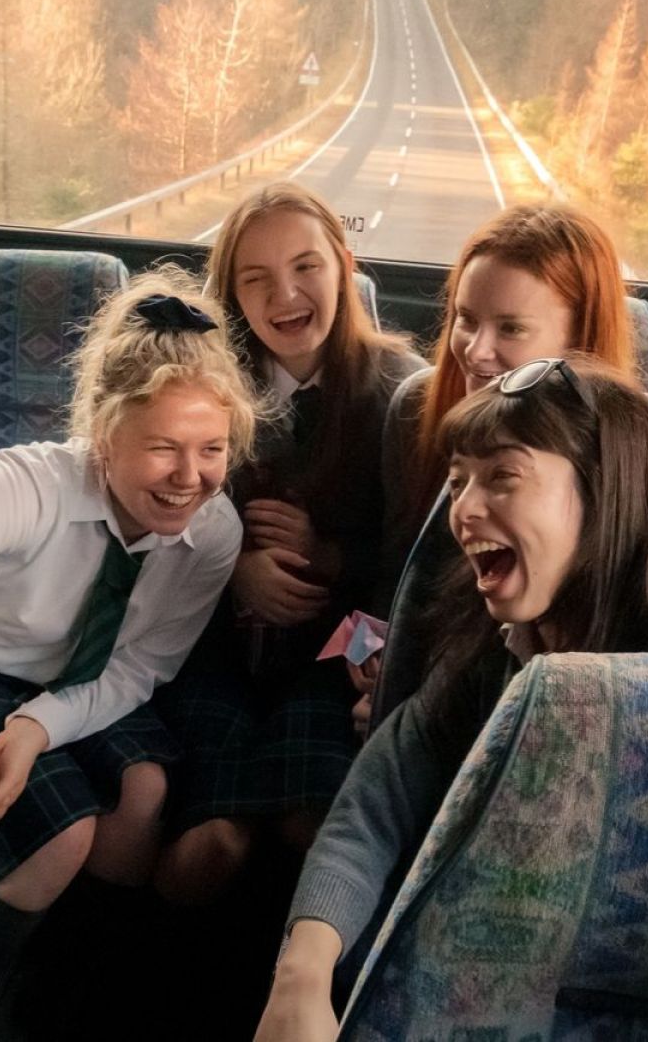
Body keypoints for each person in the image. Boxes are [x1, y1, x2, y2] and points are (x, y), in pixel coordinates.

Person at [253, 357, 648, 1042]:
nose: (463, 511)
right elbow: (374, 808)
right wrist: (300, 975)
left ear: (605, 493)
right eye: (458, 483)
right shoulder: (488, 646)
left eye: (503, 478)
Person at [0, 268, 260, 1042]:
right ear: (104, 437)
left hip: (73, 676)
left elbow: (139, 667)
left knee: (143, 791)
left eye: (212, 450)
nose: (190, 478)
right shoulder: (31, 485)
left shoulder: (214, 529)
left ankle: (65, 995)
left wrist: (38, 727)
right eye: (164, 448)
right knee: (59, 834)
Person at [154, 183, 425, 907]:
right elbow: (154, 526)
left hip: (333, 660)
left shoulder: (401, 393)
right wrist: (234, 571)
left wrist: (332, 558)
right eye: (256, 279)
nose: (286, 295)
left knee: (314, 827)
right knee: (212, 844)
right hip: (211, 650)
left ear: (344, 266)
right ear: (231, 296)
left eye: (306, 267)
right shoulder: (204, 389)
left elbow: (413, 564)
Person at [355, 204, 639, 728]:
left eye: (510, 328)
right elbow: (399, 573)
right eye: (466, 320)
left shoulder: (628, 448)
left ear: (578, 341)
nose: (476, 351)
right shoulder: (416, 409)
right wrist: (377, 662)